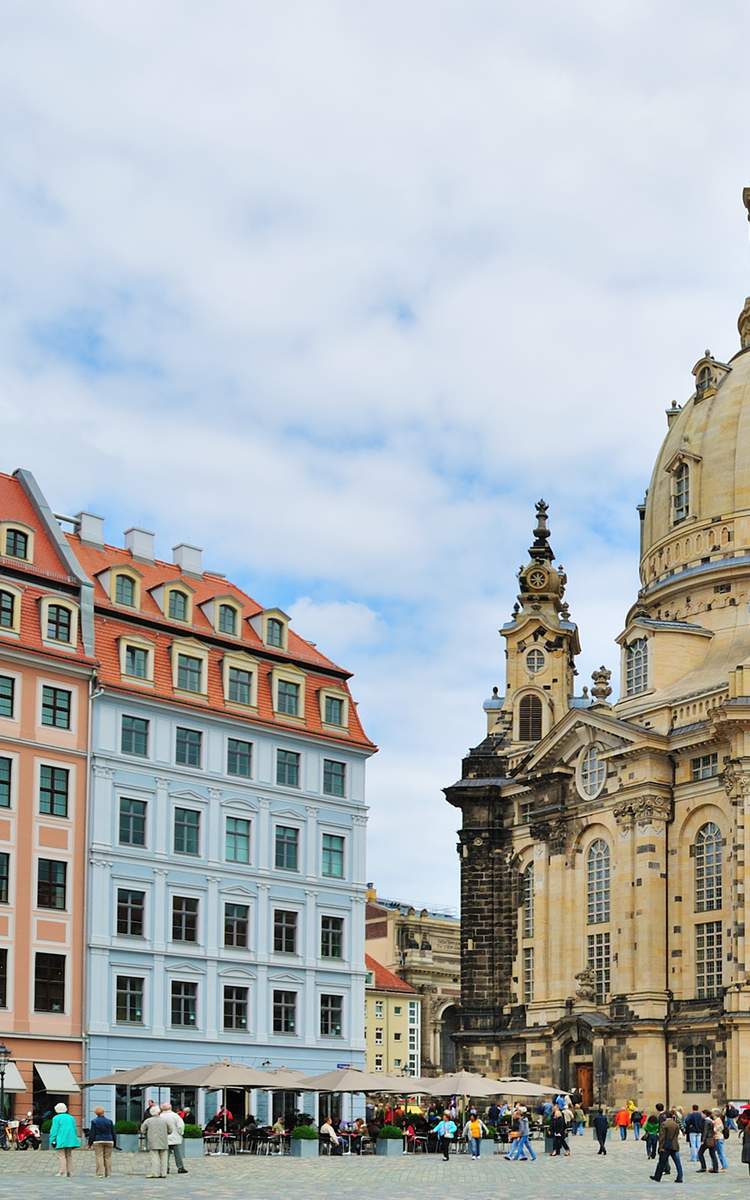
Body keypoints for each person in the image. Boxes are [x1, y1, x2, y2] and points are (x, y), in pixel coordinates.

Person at [650, 1107, 683, 1184]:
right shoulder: (675, 1124)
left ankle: (657, 1177)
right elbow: (677, 1134)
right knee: (678, 1163)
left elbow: (662, 1137)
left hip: (666, 1146)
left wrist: (660, 1147)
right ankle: (680, 1177)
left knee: (661, 1162)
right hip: (674, 1145)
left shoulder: (664, 1124)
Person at [49, 1103, 81, 1178]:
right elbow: (74, 1129)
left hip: (61, 1139)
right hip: (70, 1139)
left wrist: (52, 1139)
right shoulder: (71, 1117)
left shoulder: (56, 1118)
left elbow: (54, 1130)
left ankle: (62, 1172)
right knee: (69, 1155)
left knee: (61, 1156)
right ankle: (70, 1172)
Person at [141, 1105, 169, 1178]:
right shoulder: (165, 1120)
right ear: (159, 1112)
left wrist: (147, 1132)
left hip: (153, 1141)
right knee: (164, 1158)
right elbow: (170, 1130)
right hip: (163, 1141)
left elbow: (142, 1130)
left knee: (154, 1158)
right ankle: (163, 1173)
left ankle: (155, 1173)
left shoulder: (148, 1121)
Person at [87, 1106, 116, 1178]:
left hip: (98, 1140)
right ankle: (108, 1174)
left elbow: (92, 1133)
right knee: (108, 1157)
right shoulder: (109, 1121)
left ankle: (100, 1173)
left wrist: (89, 1143)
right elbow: (113, 1132)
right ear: (103, 1112)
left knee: (99, 1156)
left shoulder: (94, 1121)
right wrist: (115, 1142)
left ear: (96, 1114)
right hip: (109, 1140)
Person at [160, 1102, 187, 1174]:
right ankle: (180, 1167)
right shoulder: (175, 1116)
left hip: (165, 1138)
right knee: (178, 1154)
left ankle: (166, 1168)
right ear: (170, 1107)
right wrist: (181, 1133)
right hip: (175, 1137)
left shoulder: (160, 1116)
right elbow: (181, 1126)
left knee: (165, 1154)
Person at [697, 1108, 719, 1173]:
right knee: (713, 1154)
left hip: (707, 1140)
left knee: (700, 1153)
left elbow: (705, 1131)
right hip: (712, 1139)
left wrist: (702, 1140)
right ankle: (715, 1168)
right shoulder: (711, 1121)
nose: (701, 1115)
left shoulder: (706, 1121)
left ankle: (703, 1167)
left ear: (705, 1114)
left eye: (702, 1114)